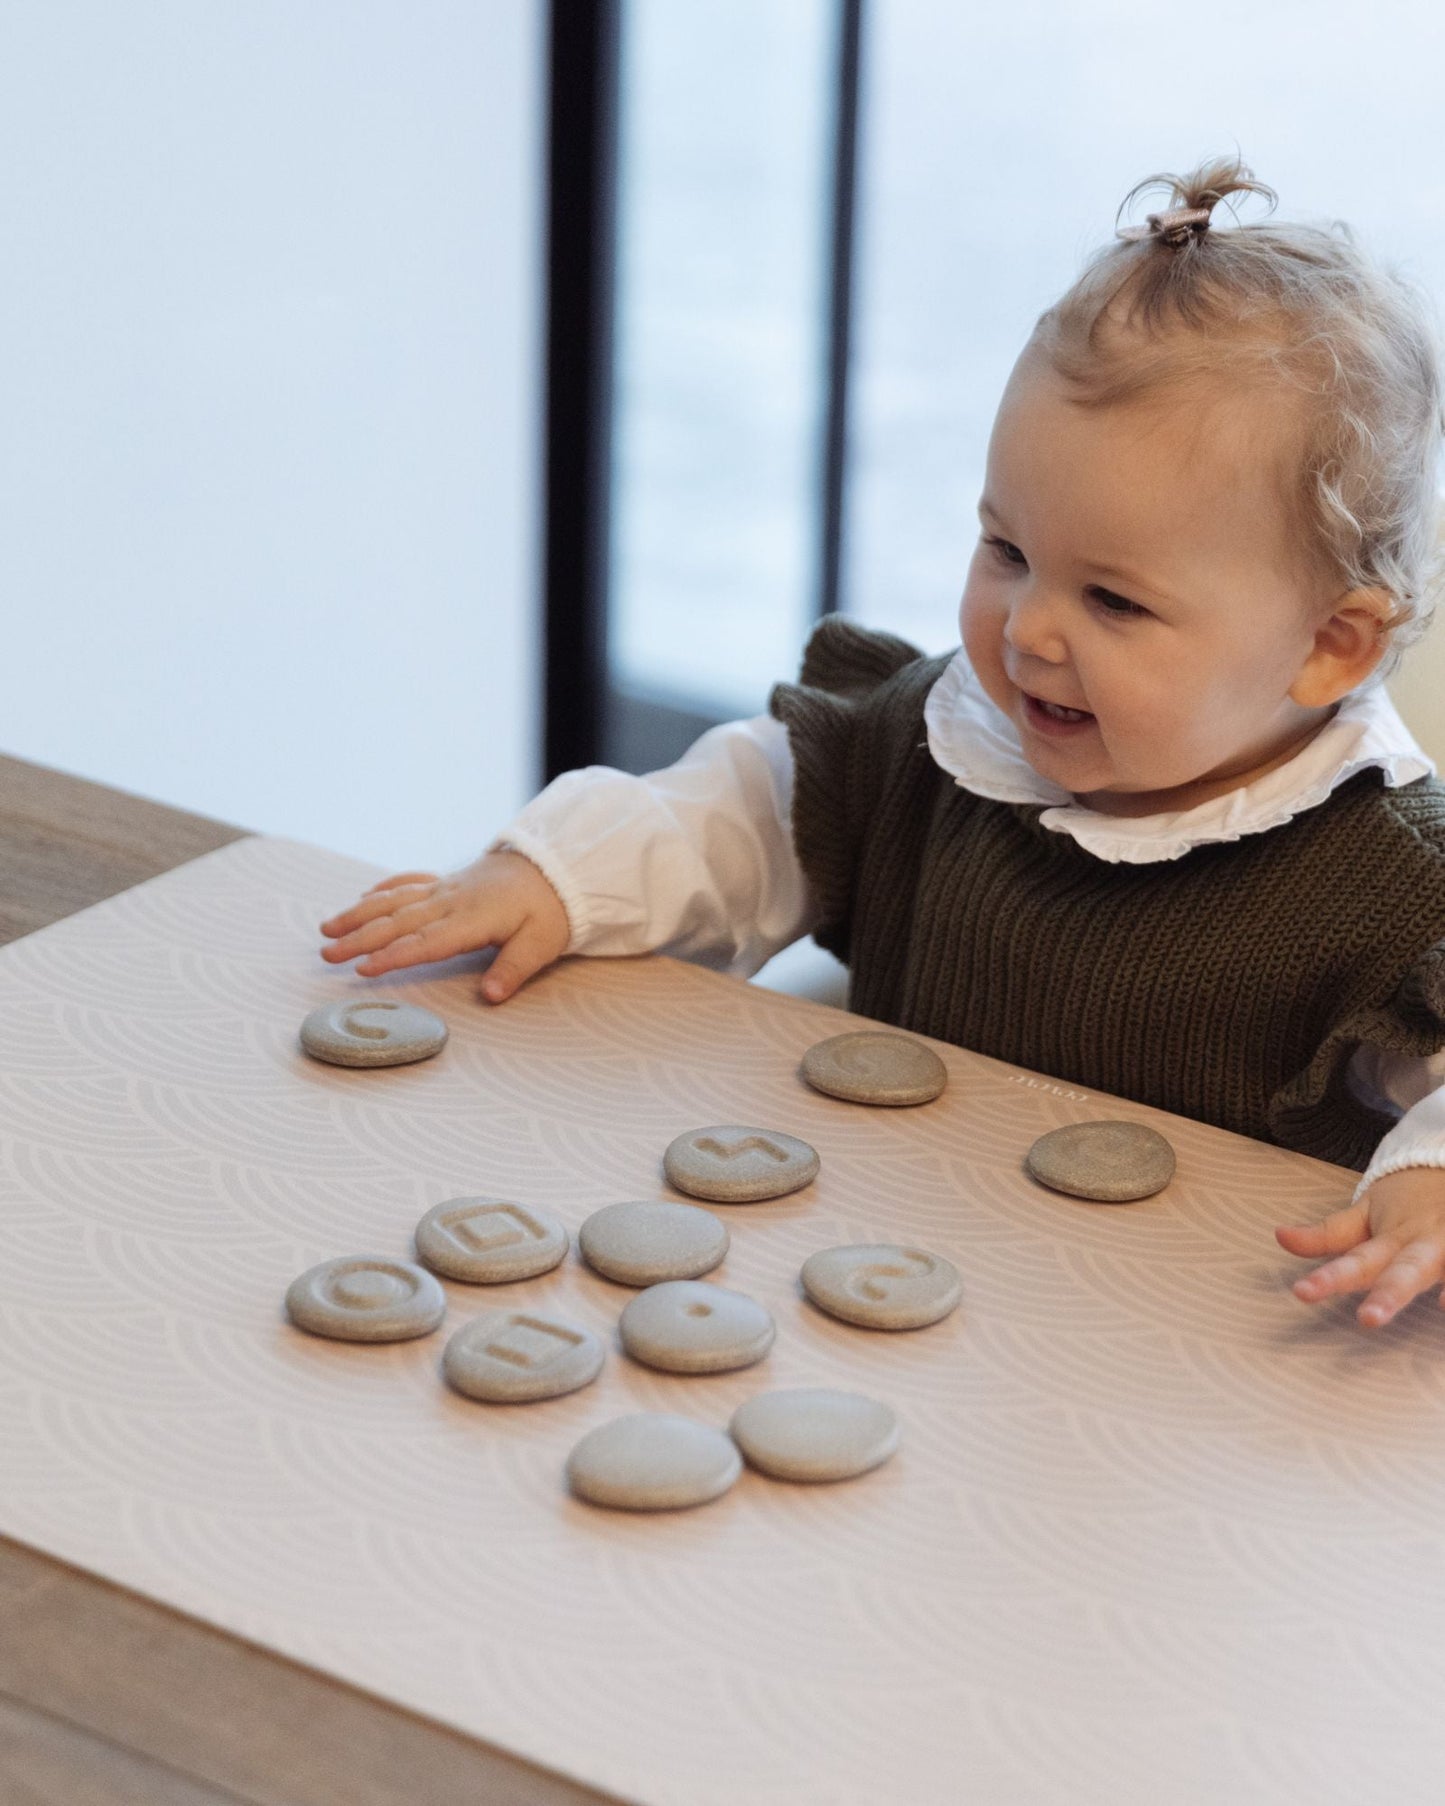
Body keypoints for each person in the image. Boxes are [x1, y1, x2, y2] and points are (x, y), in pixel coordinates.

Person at [319, 157, 1445, 1332]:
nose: (1026, 632)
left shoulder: (1395, 893)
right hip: (861, 1285)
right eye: (1005, 551)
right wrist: (556, 875)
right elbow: (749, 809)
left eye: (1112, 602)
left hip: (1162, 1361)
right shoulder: (939, 737)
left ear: (1326, 645)